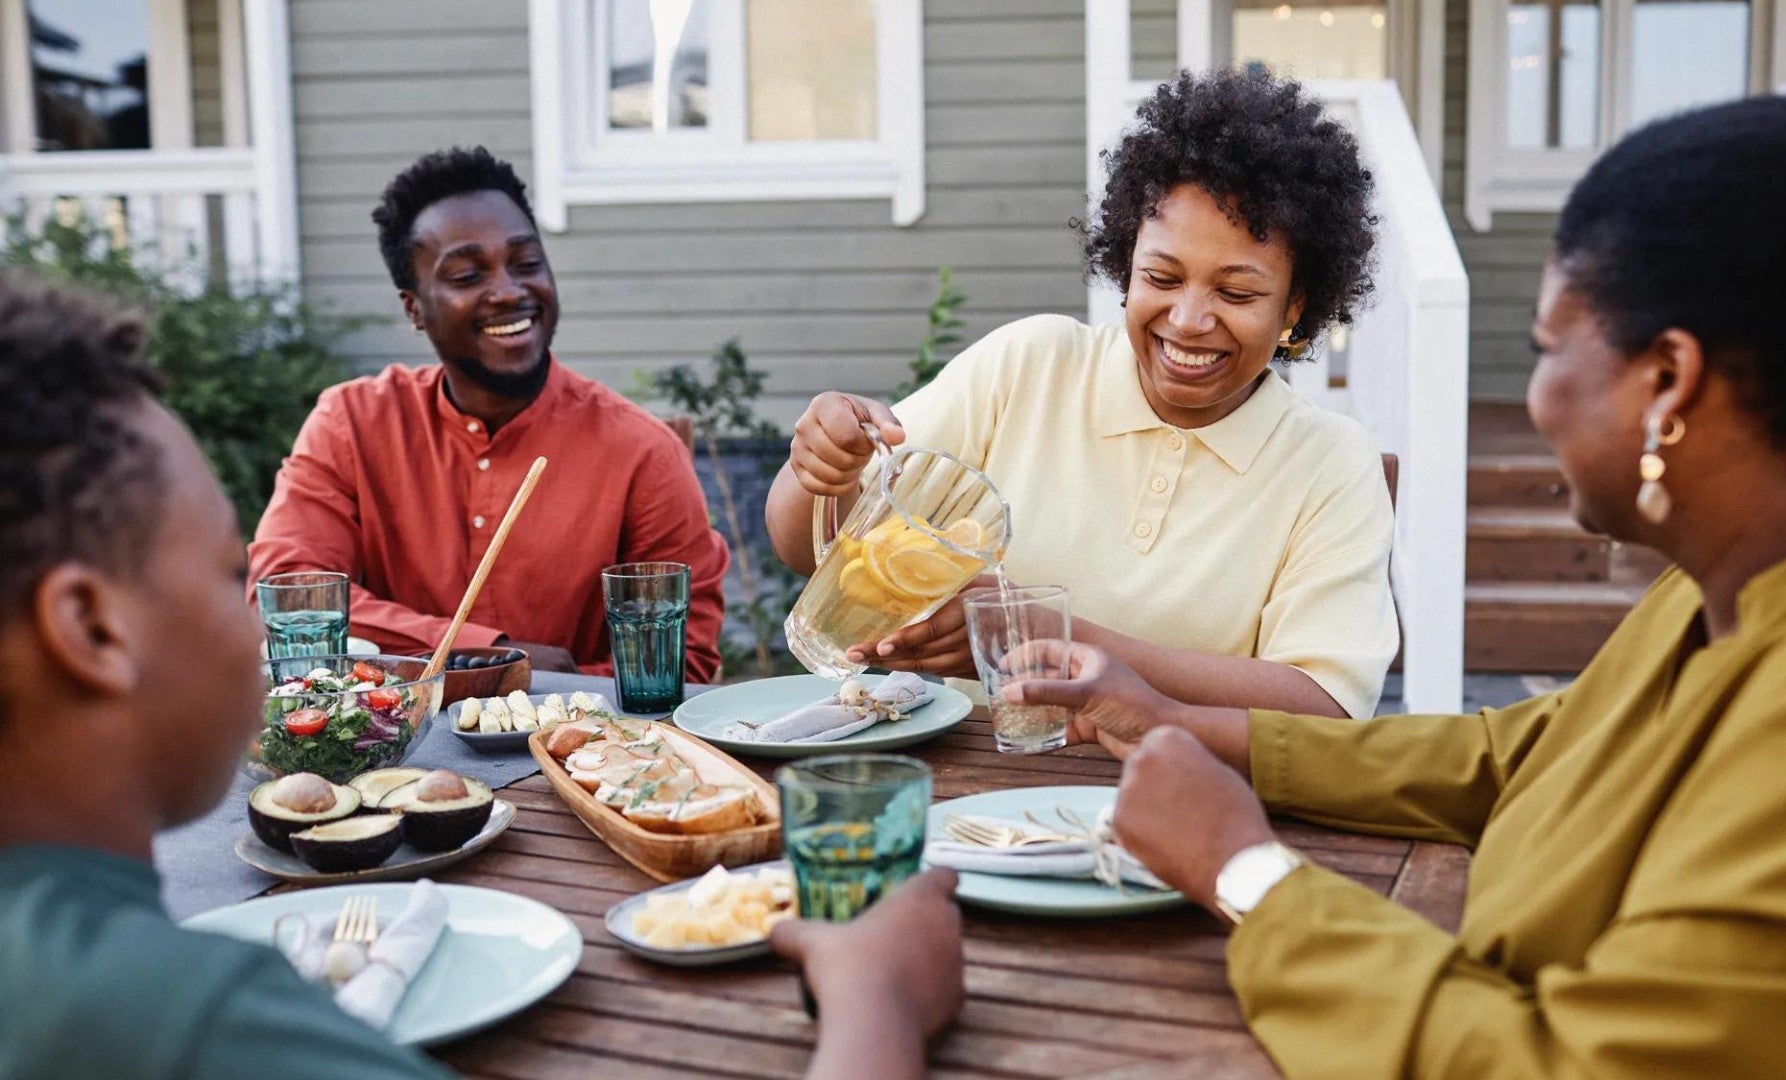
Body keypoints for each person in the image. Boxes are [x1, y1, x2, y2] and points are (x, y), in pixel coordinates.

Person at [1008, 97, 1786, 1078]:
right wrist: (1173, 720)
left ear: (1667, 381)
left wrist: (1246, 871)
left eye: (1546, 347)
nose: (1534, 399)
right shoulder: (1742, 585)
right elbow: (1513, 755)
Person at [0, 274, 964, 1080]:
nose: (248, 599)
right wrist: (875, 1002)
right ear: (91, 629)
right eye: (222, 569)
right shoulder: (174, 1017)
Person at [766, 70, 1398, 719]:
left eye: (1236, 293)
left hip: (1177, 798)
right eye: (1161, 276)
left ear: (1296, 304)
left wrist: (1052, 634)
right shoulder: (1032, 366)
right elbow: (808, 552)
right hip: (970, 782)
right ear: (1126, 262)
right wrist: (822, 471)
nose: (1186, 319)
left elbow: (1324, 707)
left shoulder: (1329, 461)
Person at [250, 147, 729, 679]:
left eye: (526, 264)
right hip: (386, 751)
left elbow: (682, 668)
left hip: (575, 754)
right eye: (466, 275)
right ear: (414, 307)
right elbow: (289, 598)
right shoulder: (352, 423)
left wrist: (527, 682)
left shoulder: (639, 449)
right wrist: (486, 649)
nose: (508, 291)